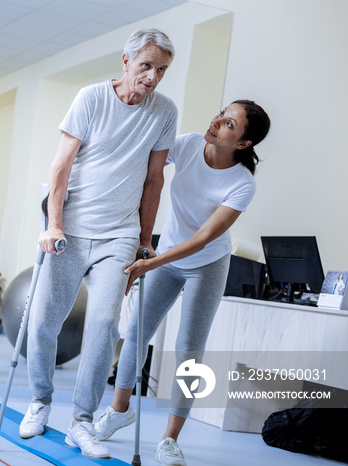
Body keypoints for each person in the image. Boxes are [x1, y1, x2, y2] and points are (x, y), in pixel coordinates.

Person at [18, 28, 178, 459]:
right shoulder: (91, 98)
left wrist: (145, 240)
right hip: (69, 227)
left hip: (120, 234)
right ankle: (40, 401)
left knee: (105, 325)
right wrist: (54, 224)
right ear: (125, 62)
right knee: (44, 323)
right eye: (146, 66)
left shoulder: (164, 111)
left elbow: (154, 179)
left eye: (161, 70)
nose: (152, 77)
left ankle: (82, 421)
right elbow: (61, 165)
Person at [93, 100, 271, 465]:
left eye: (230, 124)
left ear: (242, 144)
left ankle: (170, 438)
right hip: (167, 256)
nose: (218, 121)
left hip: (205, 264)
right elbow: (145, 165)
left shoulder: (242, 183)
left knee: (189, 349)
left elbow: (206, 236)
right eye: (222, 113)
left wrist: (153, 260)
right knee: (137, 332)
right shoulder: (188, 144)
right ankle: (119, 409)